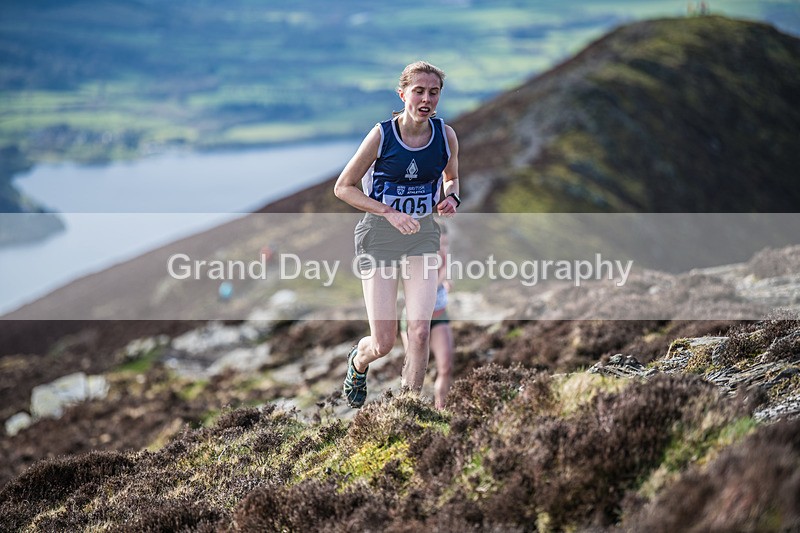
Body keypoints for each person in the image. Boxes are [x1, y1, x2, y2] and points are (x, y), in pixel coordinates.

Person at [333, 60, 461, 408]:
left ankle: (408, 409)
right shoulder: (382, 135)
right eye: (418, 91)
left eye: (433, 92)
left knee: (419, 332)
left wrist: (450, 198)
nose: (426, 99)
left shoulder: (446, 136)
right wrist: (389, 213)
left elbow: (451, 179)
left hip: (422, 236)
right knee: (384, 343)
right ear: (402, 93)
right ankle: (359, 360)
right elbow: (343, 188)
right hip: (379, 236)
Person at [400, 224, 454, 409]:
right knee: (413, 365)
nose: (443, 248)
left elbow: (444, 278)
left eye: (446, 243)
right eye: (440, 243)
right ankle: (408, 405)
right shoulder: (418, 258)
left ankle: (441, 409)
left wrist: (445, 282)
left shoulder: (446, 259)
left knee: (446, 366)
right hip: (415, 320)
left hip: (439, 316)